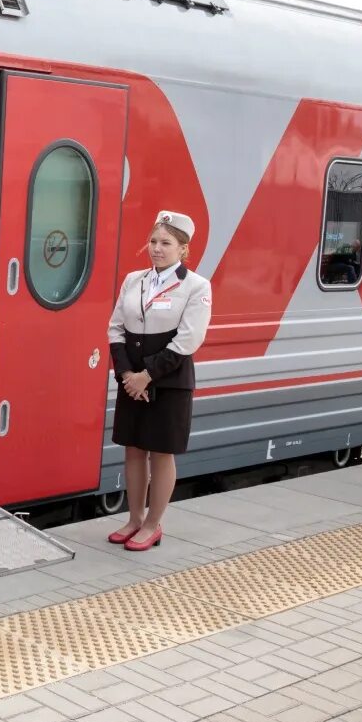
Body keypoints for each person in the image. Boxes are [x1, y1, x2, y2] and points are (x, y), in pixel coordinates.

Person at [105, 210, 213, 551]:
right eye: (153, 241)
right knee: (134, 449)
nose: (156, 248)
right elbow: (116, 328)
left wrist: (147, 376)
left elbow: (188, 340)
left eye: (166, 243)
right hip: (132, 380)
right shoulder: (133, 280)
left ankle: (153, 524)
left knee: (161, 454)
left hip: (168, 380)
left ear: (183, 249)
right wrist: (126, 375)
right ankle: (134, 519)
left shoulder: (197, 286)